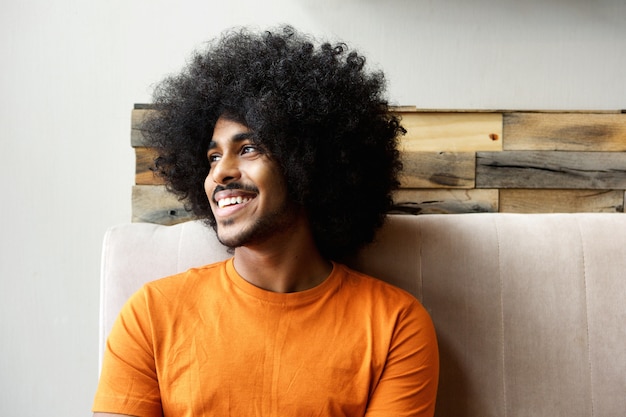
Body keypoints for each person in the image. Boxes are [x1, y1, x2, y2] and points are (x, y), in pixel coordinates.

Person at [93, 25, 438, 417]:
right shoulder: (151, 313)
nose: (220, 173)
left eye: (249, 148)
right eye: (212, 157)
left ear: (307, 163)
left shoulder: (396, 325)